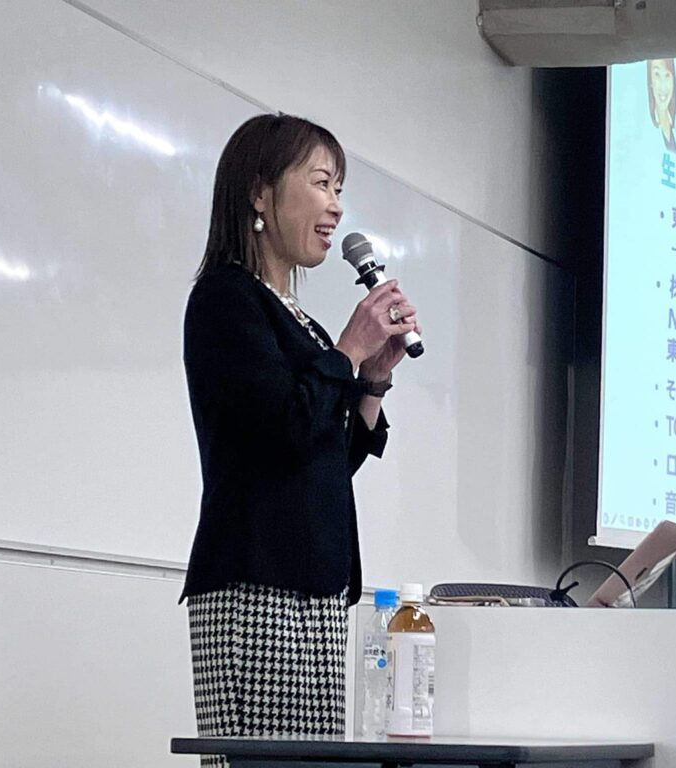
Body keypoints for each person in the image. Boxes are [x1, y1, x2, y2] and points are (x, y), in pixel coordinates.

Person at [180, 113, 419, 765]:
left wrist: (371, 380)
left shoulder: (303, 325)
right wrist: (347, 351)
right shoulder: (226, 300)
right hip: (257, 590)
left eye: (339, 189)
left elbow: (324, 459)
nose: (336, 206)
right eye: (320, 183)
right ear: (260, 193)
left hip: (314, 593)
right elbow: (280, 429)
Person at [647, 58, 676, 153]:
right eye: (657, 75)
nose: (663, 86)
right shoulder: (645, 130)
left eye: (667, 75)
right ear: (650, 81)